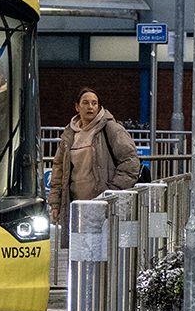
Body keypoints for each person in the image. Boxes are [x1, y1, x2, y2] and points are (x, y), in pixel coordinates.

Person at [47, 87, 141, 234]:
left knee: (102, 250)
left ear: (99, 107)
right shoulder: (69, 134)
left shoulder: (111, 129)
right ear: (77, 107)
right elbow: (59, 170)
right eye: (85, 103)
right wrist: (55, 204)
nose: (90, 107)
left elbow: (131, 162)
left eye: (94, 103)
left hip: (102, 205)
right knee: (79, 251)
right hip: (76, 206)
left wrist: (111, 192)